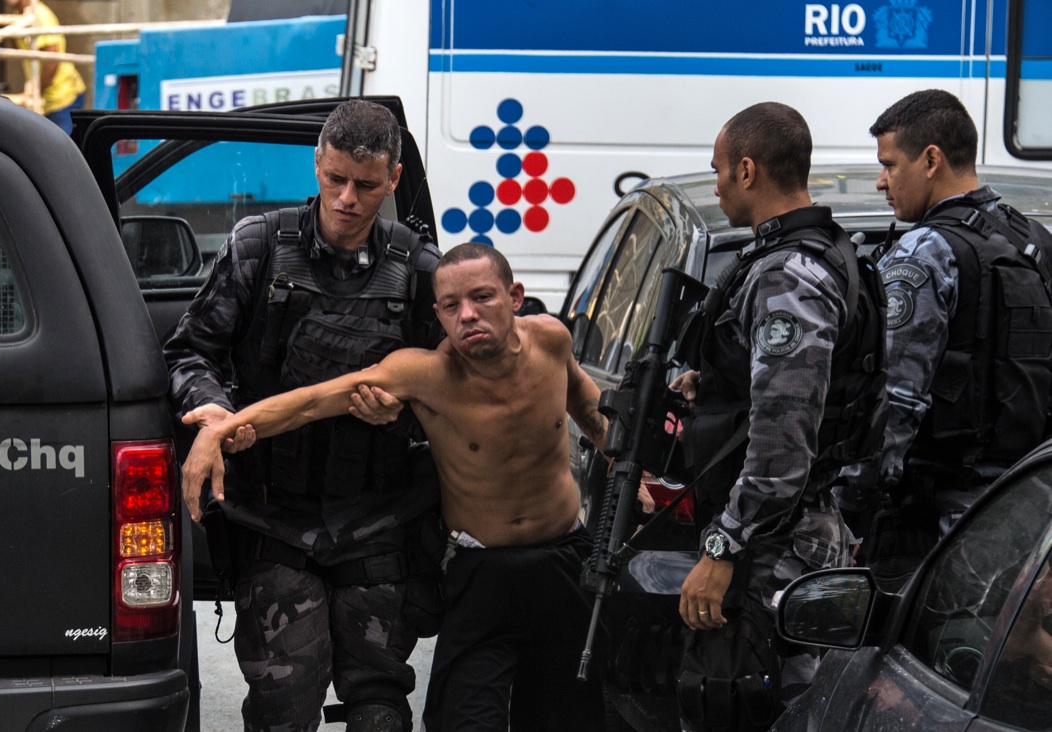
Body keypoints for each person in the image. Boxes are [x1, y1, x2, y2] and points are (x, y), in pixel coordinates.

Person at [181, 242, 611, 732]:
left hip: (563, 558)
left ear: (514, 296)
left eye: (482, 298)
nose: (467, 315)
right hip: (481, 568)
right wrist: (220, 429)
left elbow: (587, 403)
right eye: (451, 306)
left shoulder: (552, 339)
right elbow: (309, 403)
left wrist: (623, 462)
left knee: (568, 716)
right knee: (462, 720)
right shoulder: (424, 373)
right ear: (437, 315)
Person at [163, 99, 444, 732]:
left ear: (394, 180)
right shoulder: (259, 248)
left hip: (375, 518)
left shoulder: (419, 273)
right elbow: (189, 351)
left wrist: (403, 415)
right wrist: (214, 415)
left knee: (379, 704)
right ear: (317, 163)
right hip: (272, 516)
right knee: (284, 702)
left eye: (366, 185)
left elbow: (458, 392)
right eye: (335, 178)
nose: (347, 197)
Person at [671, 102, 886, 729]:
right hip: (802, 536)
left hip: (775, 547)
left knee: (752, 706)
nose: (714, 184)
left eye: (717, 170)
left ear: (746, 169)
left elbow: (783, 441)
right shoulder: (824, 253)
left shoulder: (789, 273)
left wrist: (723, 545)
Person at [836, 89, 1052, 581]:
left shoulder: (923, 253)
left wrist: (851, 510)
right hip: (1029, 512)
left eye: (889, 164)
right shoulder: (1032, 240)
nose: (880, 182)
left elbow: (893, 401)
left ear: (931, 159)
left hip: (940, 531)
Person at [8, 0, 86, 135]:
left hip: (63, 97)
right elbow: (17, 49)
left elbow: (51, 61)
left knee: (59, 150)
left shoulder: (41, 16)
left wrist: (36, 93)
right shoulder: (20, 16)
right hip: (47, 100)